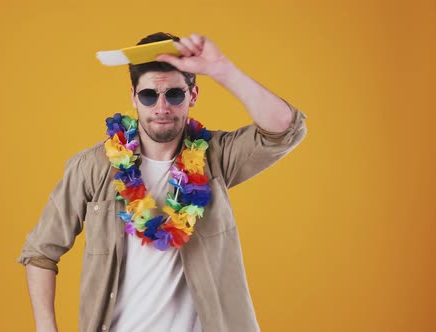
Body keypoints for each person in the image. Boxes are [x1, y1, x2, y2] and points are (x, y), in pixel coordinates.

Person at [17, 32, 308, 332]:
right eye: (148, 95)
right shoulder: (92, 167)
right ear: (133, 96)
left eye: (174, 94)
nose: (161, 107)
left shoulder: (216, 158)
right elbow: (39, 252)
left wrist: (223, 70)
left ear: (192, 96)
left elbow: (285, 129)